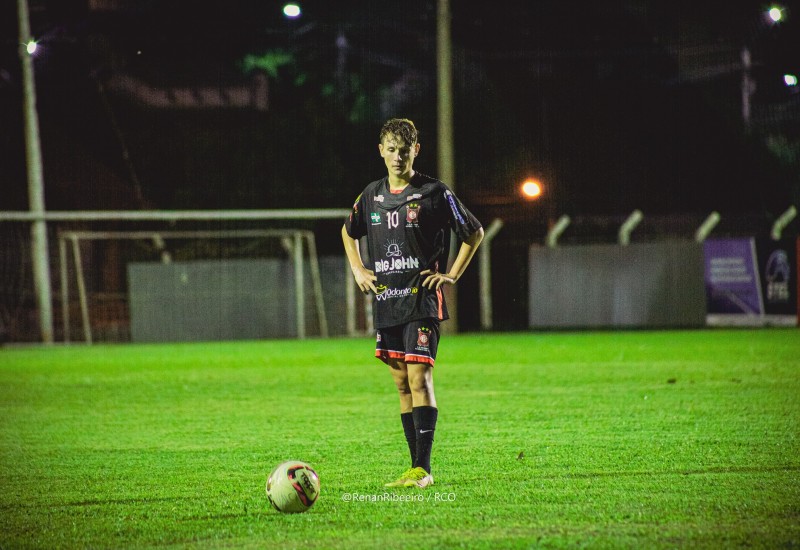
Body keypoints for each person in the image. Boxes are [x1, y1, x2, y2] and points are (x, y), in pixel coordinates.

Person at [342, 118, 484, 488]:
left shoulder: (435, 192)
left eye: (404, 150)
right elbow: (347, 229)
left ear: (415, 151)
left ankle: (424, 469)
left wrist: (451, 274)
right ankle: (413, 467)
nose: (397, 157)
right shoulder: (371, 195)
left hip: (422, 300)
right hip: (387, 302)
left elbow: (474, 231)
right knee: (402, 384)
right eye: (390, 149)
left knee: (420, 377)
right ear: (380, 151)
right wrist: (358, 268)